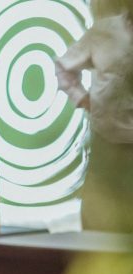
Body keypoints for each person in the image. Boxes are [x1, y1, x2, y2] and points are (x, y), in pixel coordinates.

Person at [56, 0, 133, 232]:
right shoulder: (104, 32)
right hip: (106, 138)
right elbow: (63, 67)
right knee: (98, 210)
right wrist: (83, 98)